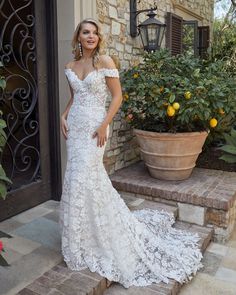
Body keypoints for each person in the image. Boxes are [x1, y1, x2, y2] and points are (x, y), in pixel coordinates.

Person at [59, 18, 203, 289]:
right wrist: (63, 114)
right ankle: (81, 237)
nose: (91, 36)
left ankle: (102, 234)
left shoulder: (105, 62)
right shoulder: (70, 66)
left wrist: (104, 124)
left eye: (94, 33)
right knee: (77, 179)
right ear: (78, 37)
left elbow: (117, 97)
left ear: (99, 38)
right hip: (75, 129)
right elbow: (74, 97)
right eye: (85, 32)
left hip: (95, 130)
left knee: (85, 176)